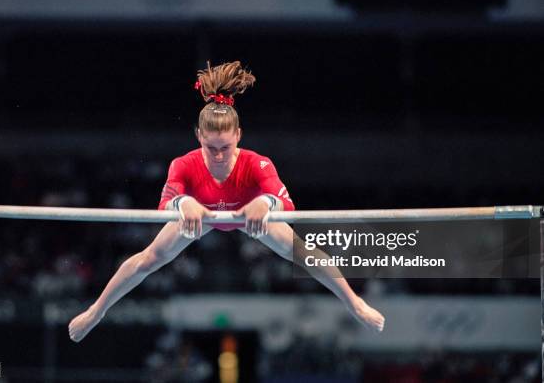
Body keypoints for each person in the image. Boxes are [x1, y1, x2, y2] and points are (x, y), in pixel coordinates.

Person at [68, 61, 385, 342]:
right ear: (198, 138)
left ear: (239, 136)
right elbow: (165, 204)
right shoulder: (184, 164)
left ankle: (354, 302)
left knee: (304, 253)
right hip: (199, 218)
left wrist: (266, 204)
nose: (219, 156)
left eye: (225, 147)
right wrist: (182, 204)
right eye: (211, 148)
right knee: (149, 258)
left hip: (252, 219)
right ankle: (97, 310)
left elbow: (285, 204)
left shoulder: (258, 163)